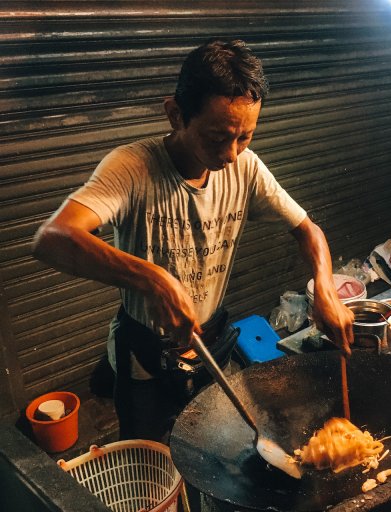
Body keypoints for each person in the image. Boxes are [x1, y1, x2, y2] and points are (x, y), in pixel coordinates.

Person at [32, 39, 354, 445]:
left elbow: (308, 229)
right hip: (145, 353)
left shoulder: (245, 167)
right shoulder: (132, 167)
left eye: (245, 137)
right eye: (217, 138)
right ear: (175, 114)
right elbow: (52, 238)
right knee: (149, 456)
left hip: (211, 340)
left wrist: (324, 288)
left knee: (216, 445)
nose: (232, 155)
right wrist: (152, 279)